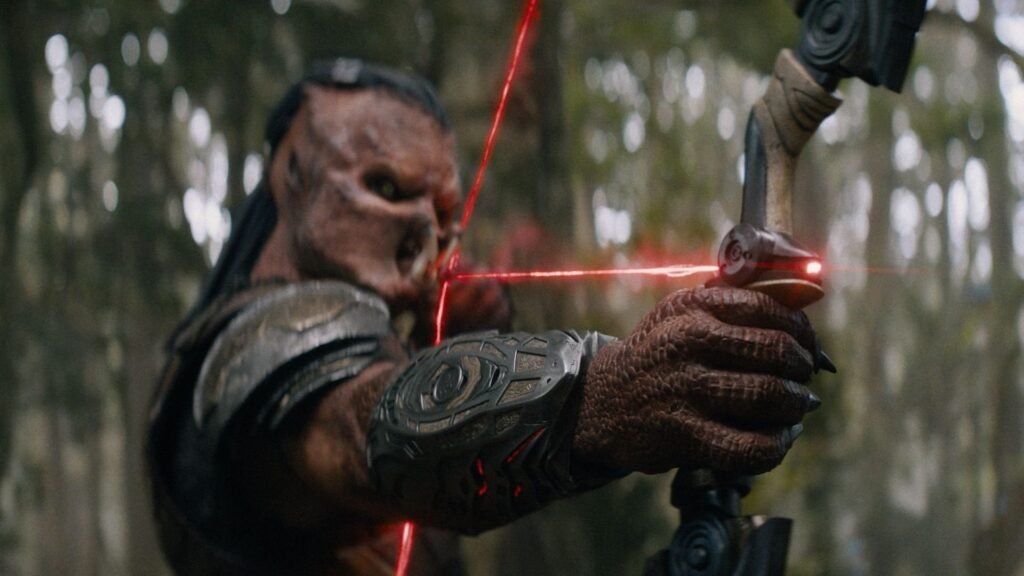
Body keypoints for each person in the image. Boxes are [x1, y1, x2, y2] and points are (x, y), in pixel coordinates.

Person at [146, 58, 827, 576]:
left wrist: (460, 340)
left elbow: (422, 513)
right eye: (386, 187)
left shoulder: (361, 345)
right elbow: (363, 431)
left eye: (444, 216)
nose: (427, 236)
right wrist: (602, 390)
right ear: (290, 170)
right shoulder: (253, 341)